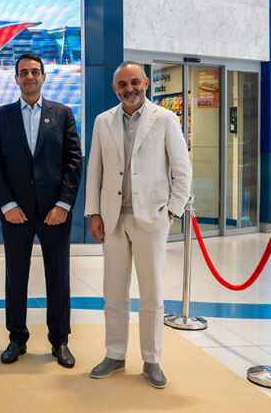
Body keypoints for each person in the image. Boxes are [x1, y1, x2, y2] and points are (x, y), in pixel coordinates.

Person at [85, 61, 192, 389]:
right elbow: (95, 170)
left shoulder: (166, 119)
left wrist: (171, 211)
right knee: (113, 293)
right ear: (114, 88)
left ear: (146, 82)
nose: (129, 89)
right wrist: (94, 213)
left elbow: (182, 170)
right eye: (122, 84)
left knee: (152, 294)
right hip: (113, 220)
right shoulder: (103, 121)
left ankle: (152, 358)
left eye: (134, 82)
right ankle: (115, 354)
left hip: (152, 219)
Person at [0, 54, 82, 367]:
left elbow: (73, 161)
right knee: (16, 279)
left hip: (55, 213)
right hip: (16, 214)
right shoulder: (1, 116)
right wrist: (7, 205)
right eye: (24, 72)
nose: (29, 76)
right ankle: (17, 338)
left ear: (43, 77)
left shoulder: (63, 113)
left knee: (59, 278)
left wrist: (63, 205)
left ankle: (60, 341)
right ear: (16, 79)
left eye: (35, 72)